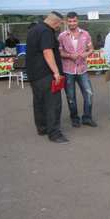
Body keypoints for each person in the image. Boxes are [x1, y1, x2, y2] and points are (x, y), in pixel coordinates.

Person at [25, 11, 69, 144]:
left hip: (34, 74)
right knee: (52, 104)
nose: (59, 27)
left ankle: (42, 128)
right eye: (60, 24)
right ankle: (54, 133)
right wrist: (56, 72)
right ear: (55, 23)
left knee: (39, 102)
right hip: (46, 74)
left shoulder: (35, 29)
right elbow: (47, 51)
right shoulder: (46, 31)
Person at [57, 12, 97, 128]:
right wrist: (69, 56)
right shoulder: (62, 36)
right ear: (67, 22)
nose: (72, 23)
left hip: (82, 69)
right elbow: (58, 53)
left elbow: (91, 49)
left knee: (89, 94)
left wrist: (87, 53)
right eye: (70, 21)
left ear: (77, 21)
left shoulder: (85, 34)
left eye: (74, 21)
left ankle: (87, 118)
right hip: (68, 69)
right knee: (71, 96)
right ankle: (74, 118)